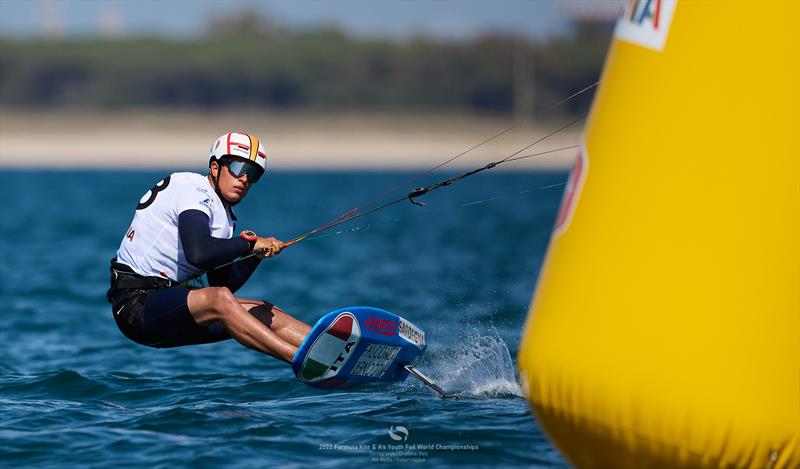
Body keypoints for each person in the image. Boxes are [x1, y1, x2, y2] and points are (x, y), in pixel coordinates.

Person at [106, 132, 311, 363]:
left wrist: (254, 256)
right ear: (215, 167)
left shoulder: (225, 219)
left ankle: (332, 347)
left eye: (253, 174)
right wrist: (249, 243)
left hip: (170, 304)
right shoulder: (193, 189)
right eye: (238, 168)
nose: (244, 179)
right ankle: (304, 360)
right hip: (136, 305)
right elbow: (199, 254)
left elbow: (222, 284)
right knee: (220, 299)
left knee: (262, 310)